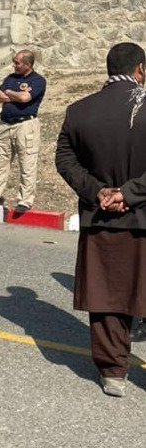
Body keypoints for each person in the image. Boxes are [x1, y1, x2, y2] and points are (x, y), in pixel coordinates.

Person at [55, 42, 146, 397]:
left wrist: (99, 192)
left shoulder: (79, 111)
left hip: (100, 217)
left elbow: (65, 160)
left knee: (107, 295)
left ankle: (113, 372)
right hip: (141, 212)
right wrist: (131, 193)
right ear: (141, 69)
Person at [0, 49, 46, 214]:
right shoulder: (10, 78)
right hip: (5, 125)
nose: (14, 65)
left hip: (25, 126)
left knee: (27, 164)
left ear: (27, 65)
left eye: (17, 63)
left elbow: (25, 99)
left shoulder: (38, 80)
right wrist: (13, 94)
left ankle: (25, 201)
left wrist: (9, 93)